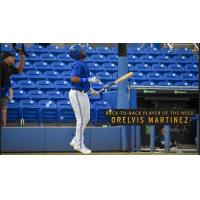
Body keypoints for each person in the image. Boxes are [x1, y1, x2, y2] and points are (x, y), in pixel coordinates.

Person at [68, 44, 100, 154]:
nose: (83, 51)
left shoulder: (82, 63)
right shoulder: (77, 64)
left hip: (83, 93)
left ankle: (76, 140)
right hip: (77, 93)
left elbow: (84, 81)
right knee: (81, 119)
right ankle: (79, 145)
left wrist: (91, 90)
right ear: (77, 53)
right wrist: (89, 79)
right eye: (81, 50)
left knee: (86, 118)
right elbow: (74, 79)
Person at [0, 52, 25, 126]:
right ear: (7, 58)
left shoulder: (10, 67)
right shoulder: (1, 65)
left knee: (4, 110)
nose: (14, 58)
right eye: (12, 57)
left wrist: (22, 59)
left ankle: (4, 126)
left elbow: (19, 71)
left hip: (3, 92)